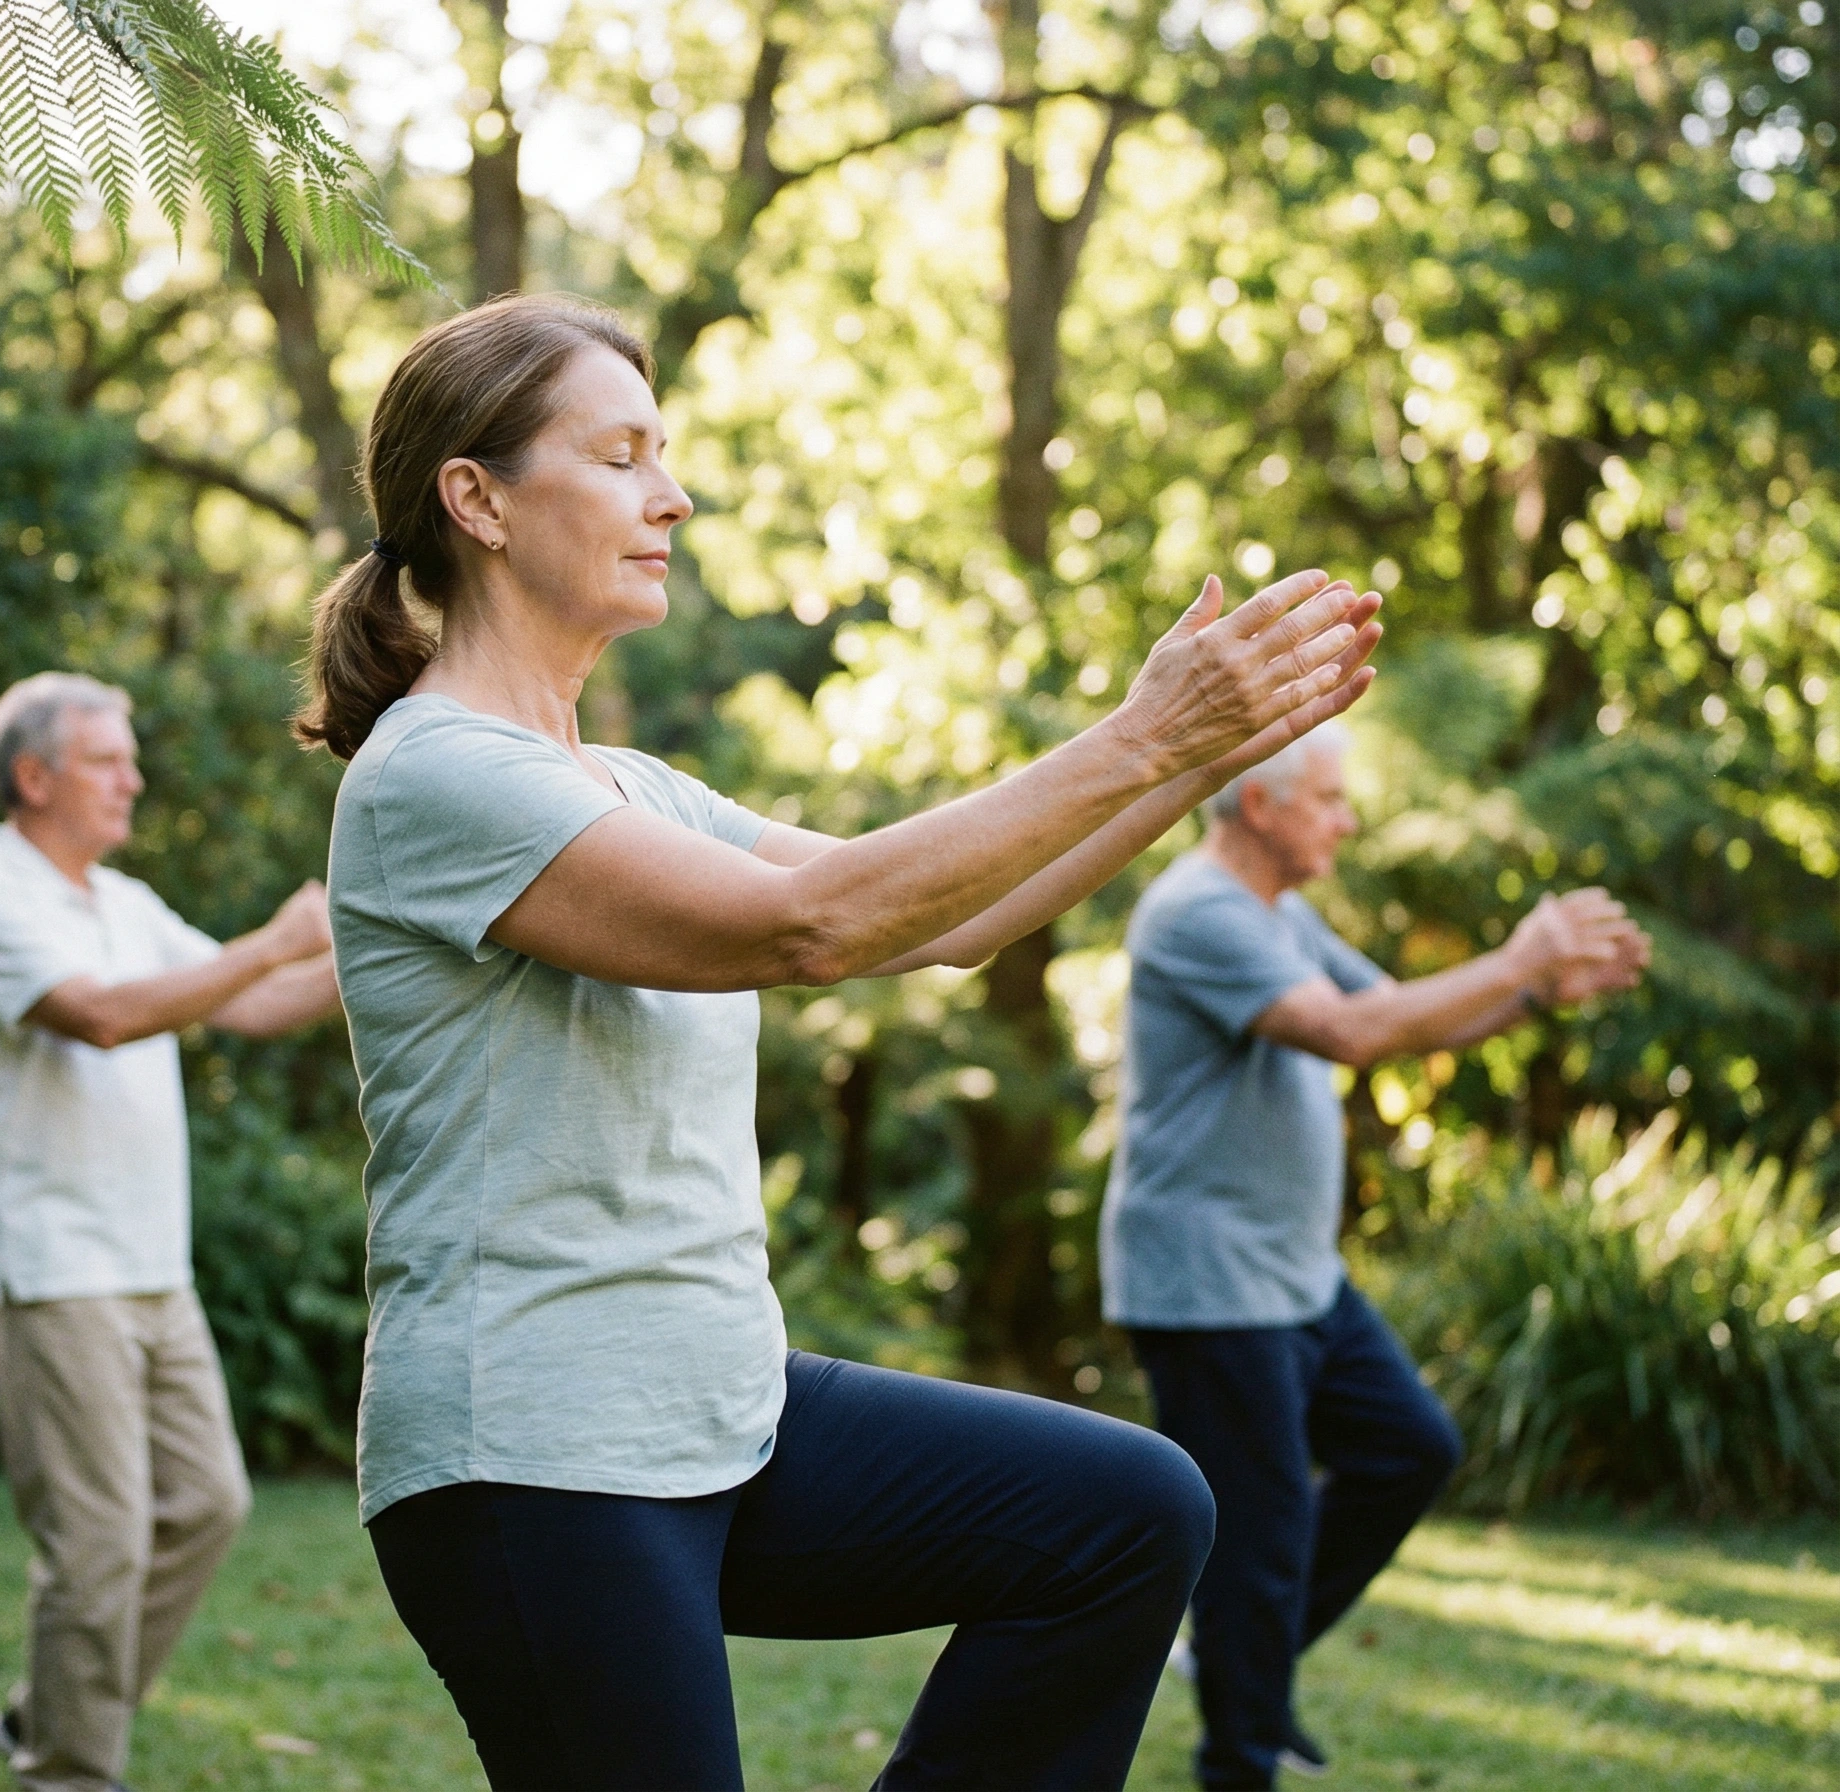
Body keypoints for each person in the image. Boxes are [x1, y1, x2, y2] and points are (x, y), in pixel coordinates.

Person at [293, 292, 1385, 1790]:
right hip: (536, 1454)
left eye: (662, 454)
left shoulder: (626, 784)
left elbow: (945, 921)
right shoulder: (435, 778)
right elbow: (811, 927)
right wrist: (1142, 741)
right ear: (475, 498)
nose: (670, 495)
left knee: (1127, 1515)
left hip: (724, 1410)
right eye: (619, 457)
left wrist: (1191, 751)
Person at [1101, 720, 1650, 1790]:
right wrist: (1518, 955)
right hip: (1208, 1280)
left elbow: (1402, 1019)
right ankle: (1239, 1756)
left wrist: (1533, 988)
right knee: (1254, 1543)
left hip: (1296, 1274)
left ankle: (1234, 1659)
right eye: (1331, 800)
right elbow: (1349, 1036)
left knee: (1411, 1447)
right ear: (1261, 805)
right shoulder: (1196, 913)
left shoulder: (1282, 913)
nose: (1347, 820)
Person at [0, 671, 342, 1792]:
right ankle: (70, 1766)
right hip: (51, 1272)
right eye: (109, 759)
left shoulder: (125, 902)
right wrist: (268, 942)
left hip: (153, 1268)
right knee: (99, 1541)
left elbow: (250, 1002)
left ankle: (48, 1713)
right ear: (34, 776)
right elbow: (103, 1018)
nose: (134, 778)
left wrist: (387, 948)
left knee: (209, 1504)